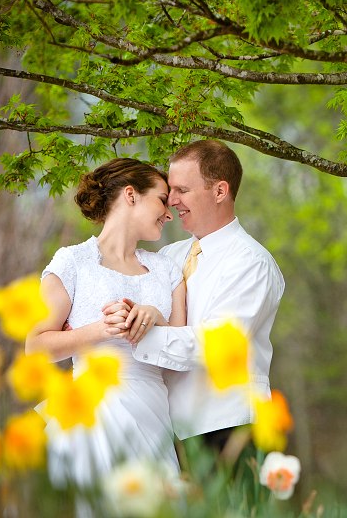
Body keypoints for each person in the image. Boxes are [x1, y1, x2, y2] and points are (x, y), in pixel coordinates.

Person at [26, 157, 187, 491]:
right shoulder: (72, 262)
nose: (169, 212)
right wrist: (101, 329)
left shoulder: (168, 271)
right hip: (90, 414)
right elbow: (35, 347)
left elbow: (182, 353)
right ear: (131, 195)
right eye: (161, 198)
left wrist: (155, 318)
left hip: (152, 415)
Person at [118, 140, 285, 456]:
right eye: (170, 191)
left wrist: (137, 336)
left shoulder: (251, 262)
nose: (172, 200)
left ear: (220, 191)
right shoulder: (169, 256)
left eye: (182, 190)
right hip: (169, 432)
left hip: (229, 429)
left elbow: (216, 344)